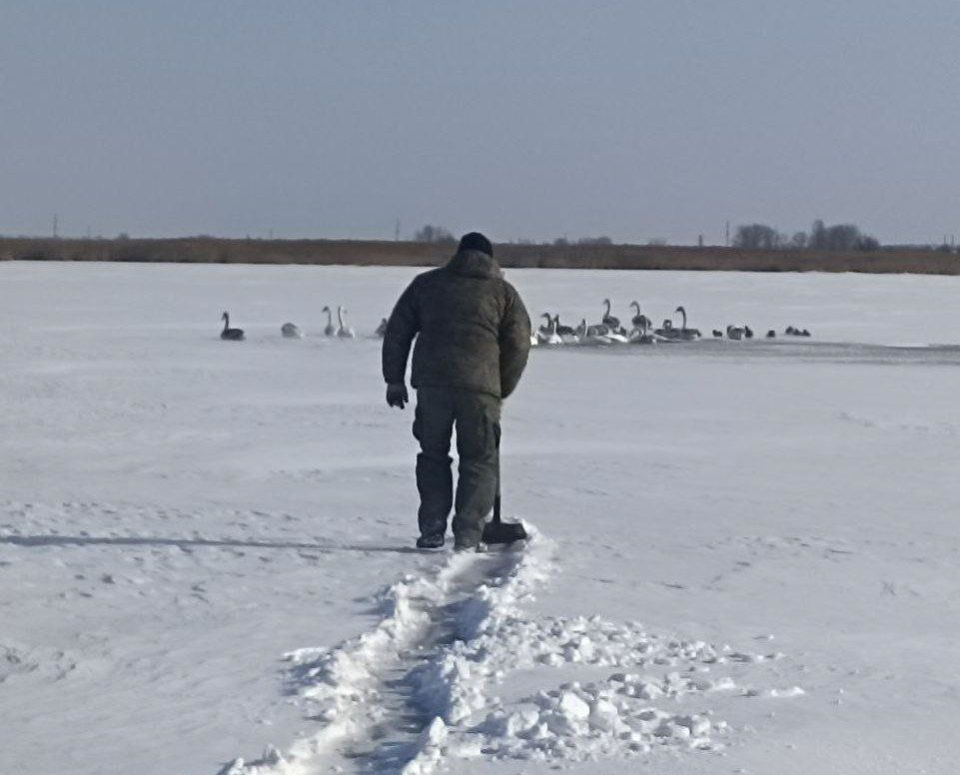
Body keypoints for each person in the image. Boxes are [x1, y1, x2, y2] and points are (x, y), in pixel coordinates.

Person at [382, 232, 532, 551]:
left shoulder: (427, 285)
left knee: (432, 455)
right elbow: (519, 343)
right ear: (492, 260)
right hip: (480, 389)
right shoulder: (503, 293)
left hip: (432, 385)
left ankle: (432, 527)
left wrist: (393, 379)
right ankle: (468, 533)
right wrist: (501, 387)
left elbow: (398, 331)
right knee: (478, 460)